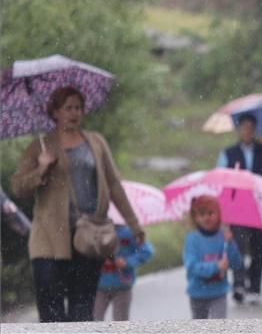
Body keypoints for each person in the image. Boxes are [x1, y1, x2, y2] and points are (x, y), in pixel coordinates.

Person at [11, 86, 145, 322]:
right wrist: (42, 168)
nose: (74, 113)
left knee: (82, 308)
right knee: (51, 309)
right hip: (48, 238)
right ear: (55, 112)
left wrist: (134, 225)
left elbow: (113, 185)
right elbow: (19, 187)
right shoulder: (40, 146)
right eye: (68, 107)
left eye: (78, 107)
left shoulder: (96, 142)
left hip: (89, 235)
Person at [215, 112, 262, 305]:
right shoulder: (229, 153)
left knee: (259, 248)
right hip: (238, 207)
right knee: (238, 248)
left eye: (251, 128)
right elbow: (221, 179)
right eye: (244, 128)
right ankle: (239, 283)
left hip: (259, 206)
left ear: (255, 130)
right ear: (239, 130)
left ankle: (255, 286)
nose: (247, 131)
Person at [183, 194, 243, 319]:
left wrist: (231, 243)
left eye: (211, 213)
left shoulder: (224, 238)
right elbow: (192, 267)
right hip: (197, 293)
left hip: (219, 293)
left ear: (219, 214)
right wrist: (216, 266)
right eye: (202, 214)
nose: (206, 218)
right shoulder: (192, 239)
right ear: (195, 217)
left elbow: (236, 264)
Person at [94, 223, 154, 321]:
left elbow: (147, 251)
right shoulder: (96, 232)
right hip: (99, 286)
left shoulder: (129, 232)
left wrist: (128, 261)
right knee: (94, 321)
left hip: (122, 286)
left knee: (120, 323)